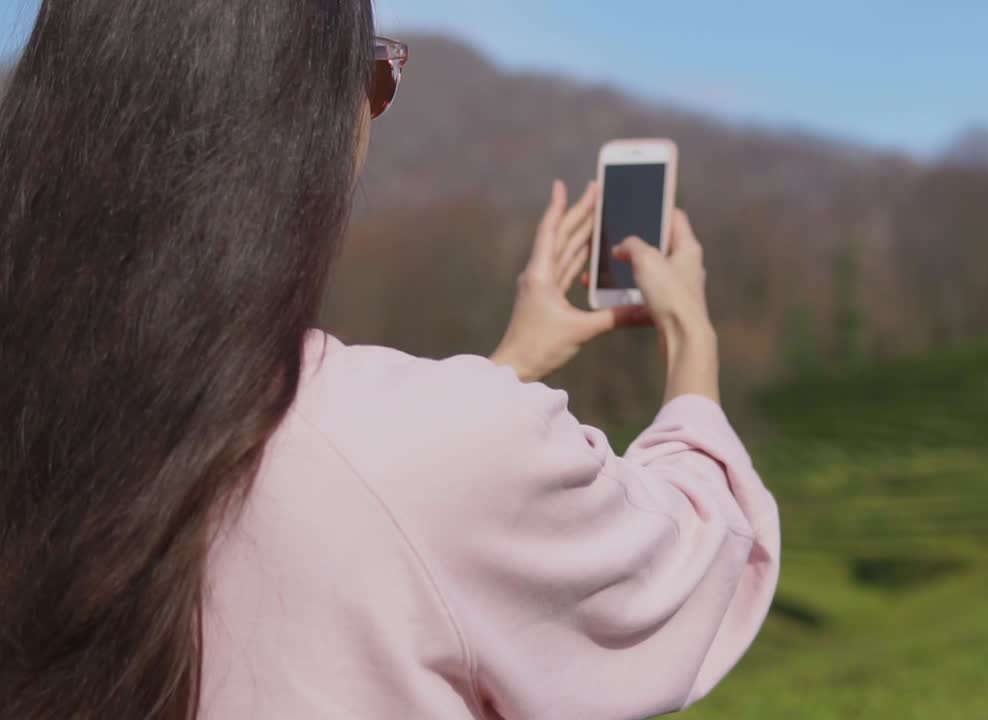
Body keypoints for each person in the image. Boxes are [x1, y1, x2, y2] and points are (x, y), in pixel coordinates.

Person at [0, 2, 780, 719]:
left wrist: (508, 364)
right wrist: (691, 336)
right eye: (374, 74)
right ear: (305, 117)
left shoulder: (40, 415)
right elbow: (694, 560)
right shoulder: (438, 449)